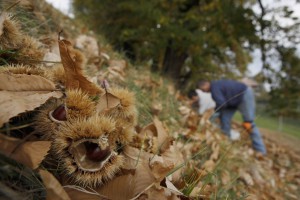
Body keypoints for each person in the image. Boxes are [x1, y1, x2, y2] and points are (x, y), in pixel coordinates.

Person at [197, 79, 266, 155]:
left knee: (248, 123)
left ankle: (261, 150)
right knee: (224, 119)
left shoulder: (214, 88)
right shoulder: (216, 85)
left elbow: (221, 104)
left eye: (202, 89)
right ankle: (226, 141)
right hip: (232, 102)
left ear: (206, 84)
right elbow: (223, 103)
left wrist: (213, 114)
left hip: (244, 94)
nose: (203, 92)